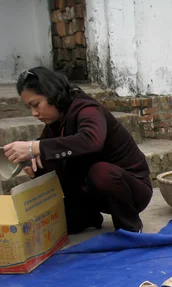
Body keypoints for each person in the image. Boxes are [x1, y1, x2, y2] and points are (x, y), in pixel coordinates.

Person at [2, 67, 152, 233]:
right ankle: (86, 216)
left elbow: (92, 141)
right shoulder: (56, 120)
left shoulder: (86, 109)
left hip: (132, 190)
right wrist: (34, 161)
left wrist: (35, 146)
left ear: (52, 94)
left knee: (100, 171)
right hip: (93, 193)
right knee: (43, 158)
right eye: (29, 107)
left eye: (36, 105)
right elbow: (48, 149)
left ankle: (130, 228)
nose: (34, 113)